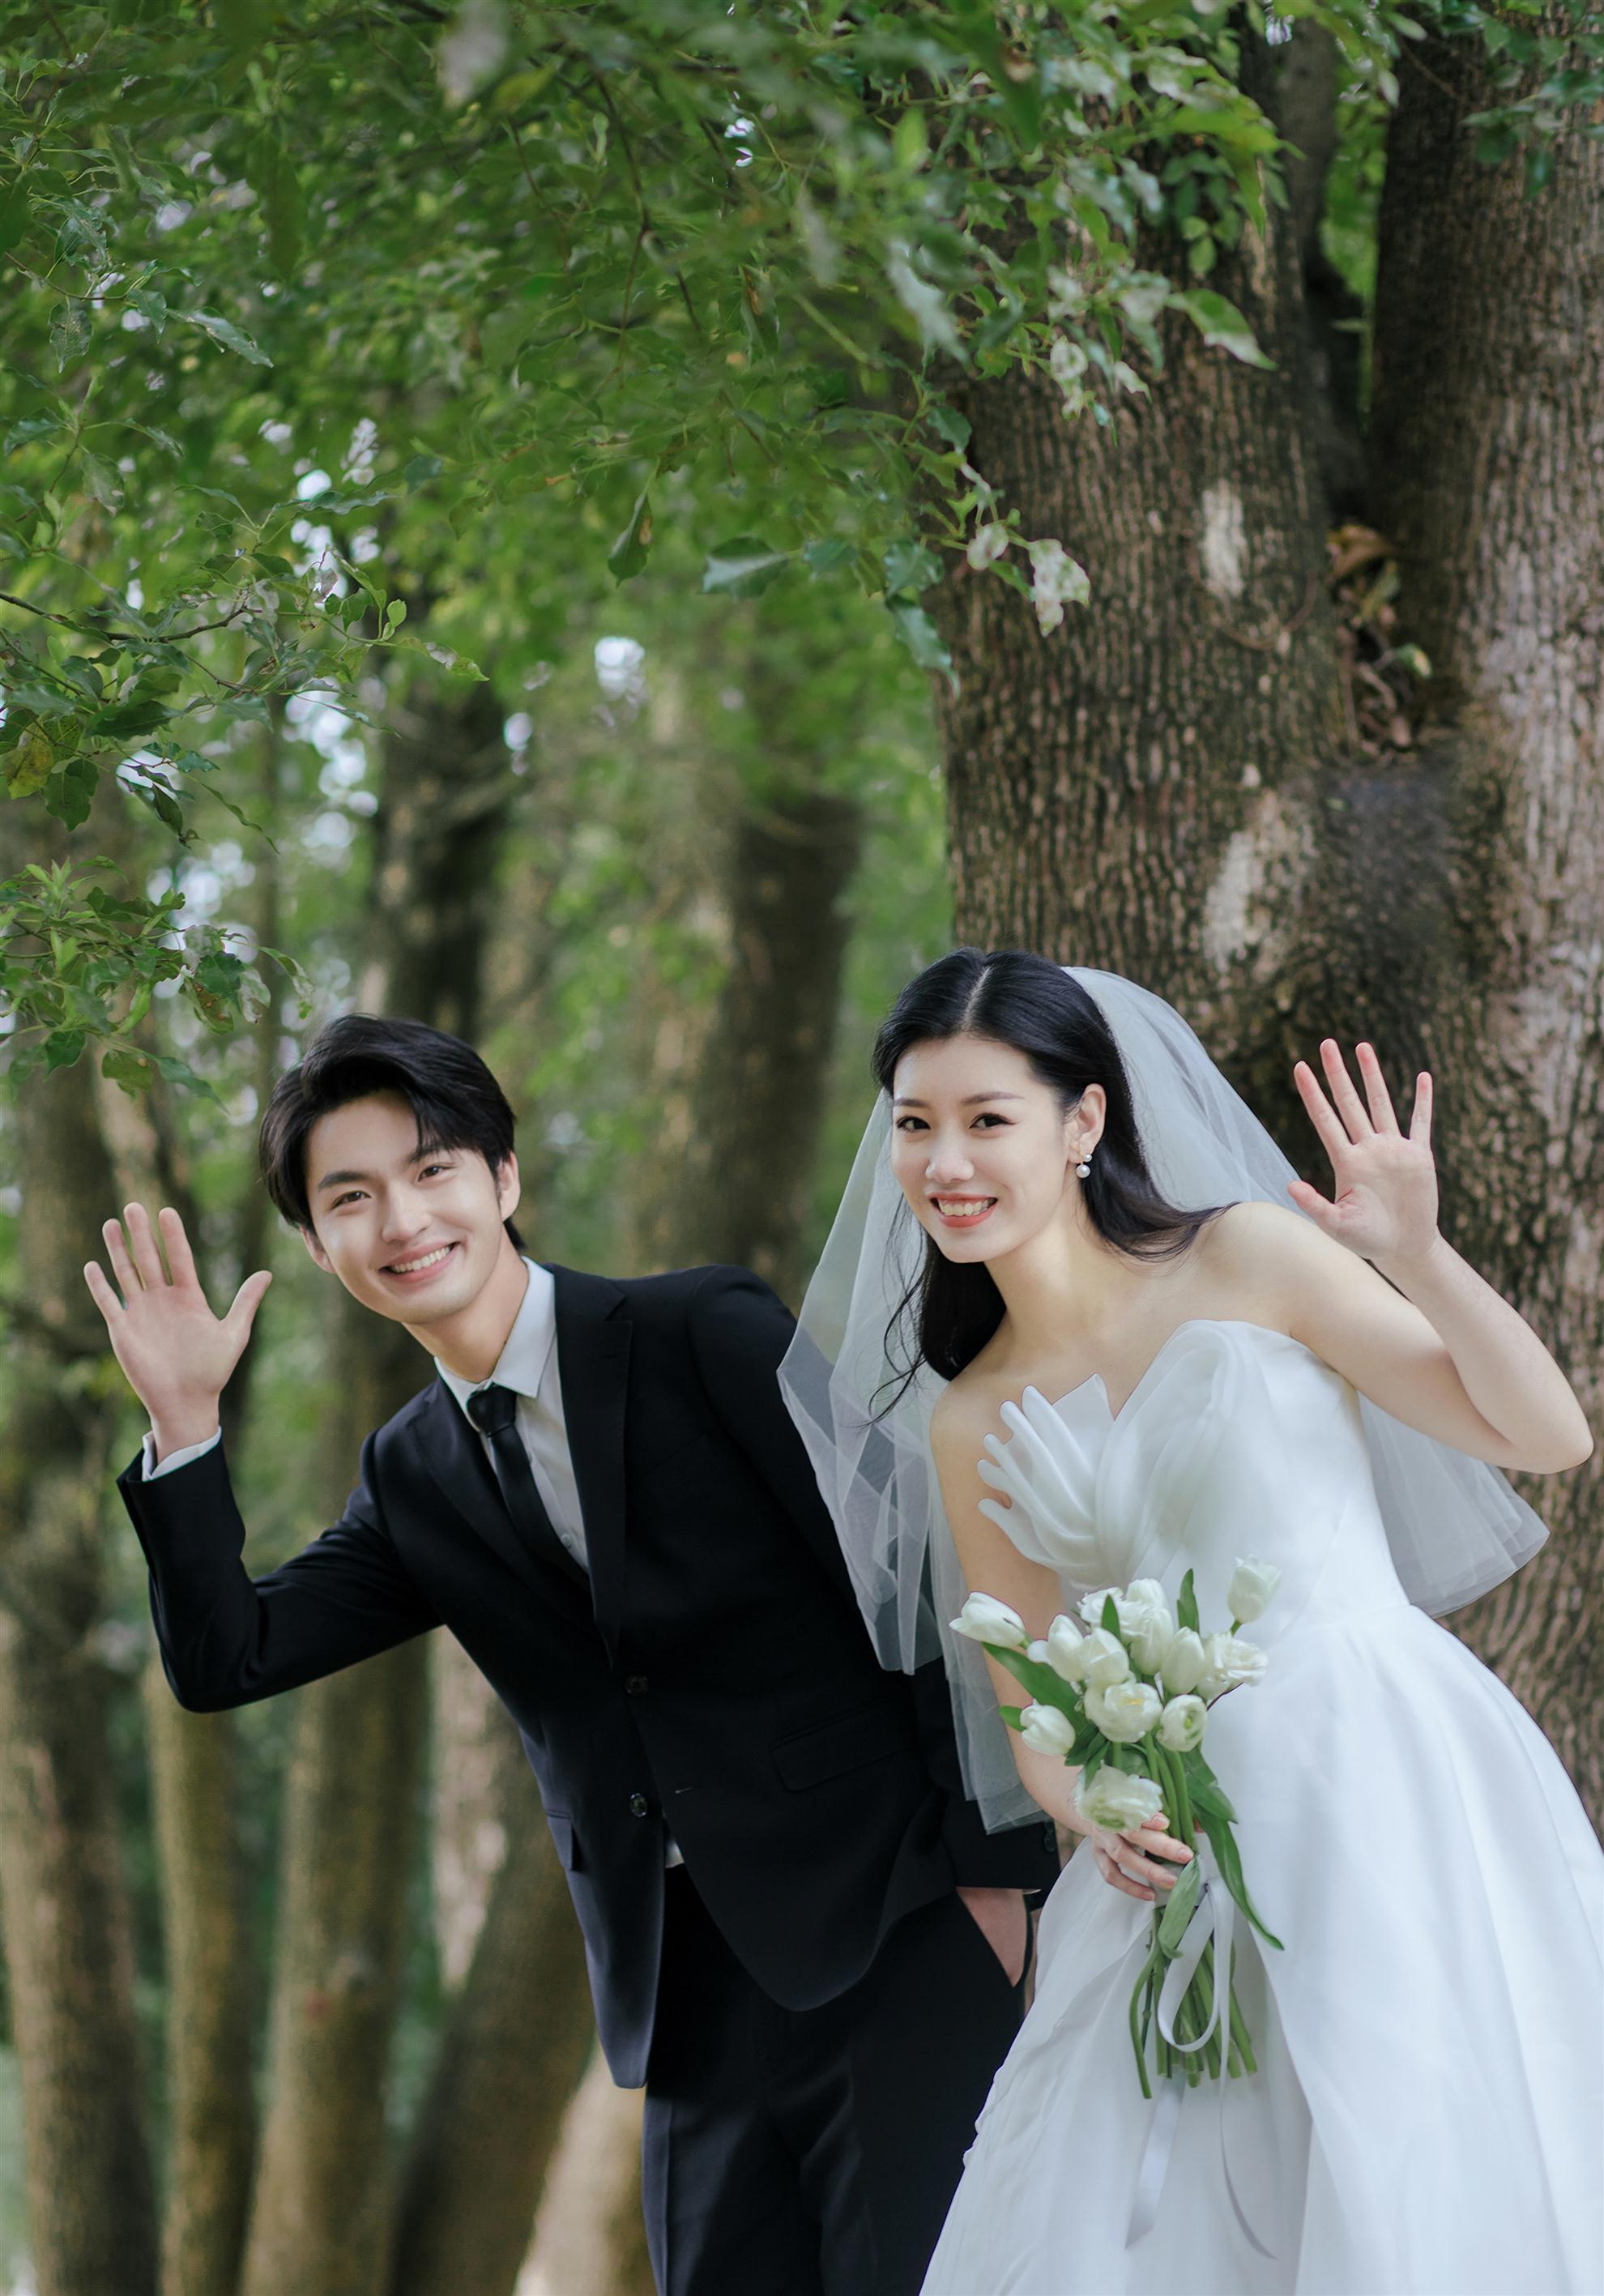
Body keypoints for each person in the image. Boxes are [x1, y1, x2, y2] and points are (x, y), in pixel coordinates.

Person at [83, 1012, 1059, 2296]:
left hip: (891, 1925)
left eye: (432, 1169)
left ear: (503, 1177)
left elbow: (917, 1566)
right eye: (352, 1197)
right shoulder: (411, 1473)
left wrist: (996, 1876)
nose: (402, 1220)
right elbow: (229, 1655)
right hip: (681, 2001)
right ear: (319, 1245)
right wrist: (185, 1424)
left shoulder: (702, 1328)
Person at [779, 950, 1603, 2296]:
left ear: (1084, 1122)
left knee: (1414, 2157)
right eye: (916, 1123)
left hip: (1382, 1775)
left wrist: (1415, 1253)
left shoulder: (1249, 1254)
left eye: (988, 1118)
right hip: (1175, 1847)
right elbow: (1035, 1712)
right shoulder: (971, 1415)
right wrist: (1094, 1809)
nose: (945, 1161)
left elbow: (1545, 1433)